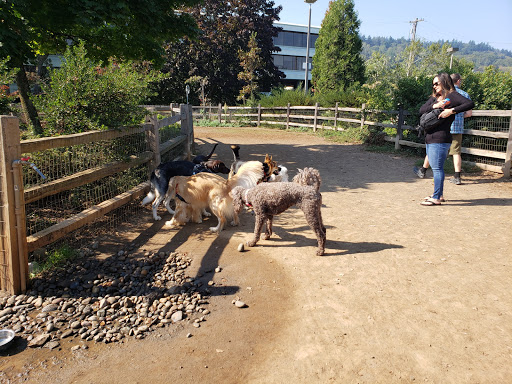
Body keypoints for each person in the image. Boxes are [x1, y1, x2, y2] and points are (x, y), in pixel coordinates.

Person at [418, 73, 474, 206]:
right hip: (430, 137)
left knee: (437, 169)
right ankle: (438, 194)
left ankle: (437, 197)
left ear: (444, 82)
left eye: (437, 83)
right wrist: (435, 106)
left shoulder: (452, 96)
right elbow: (421, 110)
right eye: (433, 84)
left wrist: (451, 111)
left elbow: (469, 103)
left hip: (441, 138)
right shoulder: (435, 98)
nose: (434, 86)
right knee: (435, 167)